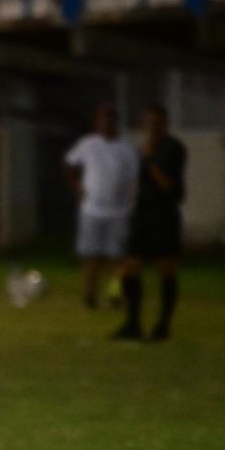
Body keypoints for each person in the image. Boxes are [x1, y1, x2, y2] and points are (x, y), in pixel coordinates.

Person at [114, 104, 188, 341]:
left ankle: (163, 325)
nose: (152, 127)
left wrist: (150, 161)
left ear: (164, 124)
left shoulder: (172, 148)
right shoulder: (144, 149)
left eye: (157, 122)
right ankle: (132, 322)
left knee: (166, 269)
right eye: (148, 122)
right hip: (143, 213)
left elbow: (170, 186)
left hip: (164, 214)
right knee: (130, 268)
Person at [64, 102, 141, 310]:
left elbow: (135, 179)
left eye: (109, 119)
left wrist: (133, 201)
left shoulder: (127, 149)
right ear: (97, 122)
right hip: (92, 210)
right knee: (91, 256)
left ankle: (115, 294)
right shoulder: (88, 144)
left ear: (115, 122)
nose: (105, 123)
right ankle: (89, 296)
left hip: (119, 211)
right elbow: (69, 164)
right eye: (101, 119)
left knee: (117, 258)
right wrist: (77, 187)